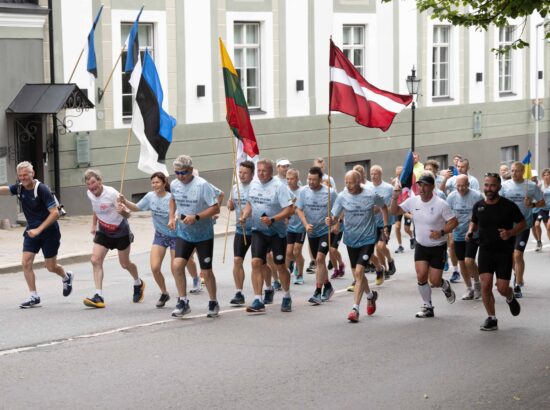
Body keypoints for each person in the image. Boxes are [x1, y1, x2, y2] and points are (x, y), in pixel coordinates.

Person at [0, 161, 73, 308]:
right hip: (31, 231)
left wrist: (39, 229)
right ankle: (34, 296)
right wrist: (35, 230)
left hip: (49, 232)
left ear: (32, 173)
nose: (23, 178)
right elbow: (6, 189)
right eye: (20, 176)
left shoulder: (42, 189)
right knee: (26, 262)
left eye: (25, 174)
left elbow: (55, 213)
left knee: (50, 266)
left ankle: (66, 277)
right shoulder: (20, 188)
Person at [391, 173, 458, 318]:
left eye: (425, 185)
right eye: (420, 185)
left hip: (437, 246)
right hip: (421, 245)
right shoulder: (412, 201)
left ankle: (443, 284)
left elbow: (453, 222)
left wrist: (441, 232)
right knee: (421, 276)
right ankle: (428, 306)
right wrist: (395, 196)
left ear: (432, 187)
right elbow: (394, 211)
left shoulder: (441, 204)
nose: (422, 188)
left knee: (434, 281)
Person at [327, 170, 388, 323]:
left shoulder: (371, 194)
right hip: (351, 239)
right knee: (357, 274)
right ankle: (370, 296)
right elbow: (334, 216)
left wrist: (385, 227)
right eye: (346, 183)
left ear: (359, 180)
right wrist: (331, 221)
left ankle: (355, 309)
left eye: (352, 182)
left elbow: (384, 207)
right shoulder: (342, 196)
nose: (348, 186)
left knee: (360, 271)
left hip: (367, 238)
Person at [468, 173, 524, 331]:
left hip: (504, 252)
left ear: (499, 187)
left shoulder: (508, 206)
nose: (489, 189)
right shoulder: (478, 205)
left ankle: (510, 295)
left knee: (501, 288)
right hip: (485, 250)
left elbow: (522, 223)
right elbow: (474, 221)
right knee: (485, 285)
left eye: (492, 185)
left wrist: (510, 233)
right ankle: (492, 318)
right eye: (486, 185)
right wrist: (471, 231)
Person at [168, 155, 221, 318]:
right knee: (177, 265)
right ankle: (183, 301)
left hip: (203, 234)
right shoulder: (175, 184)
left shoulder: (202, 185)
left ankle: (213, 301)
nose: (180, 176)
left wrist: (196, 216)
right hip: (184, 232)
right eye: (177, 173)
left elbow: (216, 208)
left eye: (183, 172)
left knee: (206, 271)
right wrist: (171, 217)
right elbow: (172, 200)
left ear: (191, 170)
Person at [239, 159, 294, 313]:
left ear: (271, 172)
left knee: (280, 266)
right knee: (256, 262)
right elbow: (250, 203)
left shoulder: (279, 187)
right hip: (258, 230)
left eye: (264, 171)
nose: (261, 173)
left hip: (277, 232)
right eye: (259, 170)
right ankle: (258, 299)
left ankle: (286, 295)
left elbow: (290, 210)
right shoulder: (254, 185)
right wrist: (244, 215)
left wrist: (273, 219)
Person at [83, 169, 144, 308]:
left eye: (93, 182)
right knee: (95, 260)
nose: (92, 187)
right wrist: (93, 225)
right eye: (88, 184)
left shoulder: (111, 194)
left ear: (100, 181)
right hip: (103, 231)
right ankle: (99, 296)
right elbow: (95, 208)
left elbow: (128, 214)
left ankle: (138, 282)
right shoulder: (90, 194)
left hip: (120, 232)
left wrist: (123, 211)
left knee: (125, 264)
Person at [119, 172, 175, 308]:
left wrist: (175, 218)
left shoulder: (172, 198)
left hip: (176, 236)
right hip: (160, 235)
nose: (155, 185)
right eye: (153, 182)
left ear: (164, 183)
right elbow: (137, 207)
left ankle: (182, 298)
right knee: (155, 268)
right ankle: (164, 293)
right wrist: (124, 201)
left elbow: (180, 212)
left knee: (176, 268)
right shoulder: (150, 196)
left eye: (157, 182)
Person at [500, 161, 545, 298]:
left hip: (523, 225)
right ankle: (517, 274)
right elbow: (498, 201)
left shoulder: (530, 186)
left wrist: (532, 204)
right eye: (512, 170)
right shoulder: (505, 185)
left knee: (518, 254)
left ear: (523, 172)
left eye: (517, 171)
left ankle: (518, 285)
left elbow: (542, 202)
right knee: (511, 256)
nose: (514, 173)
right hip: (508, 226)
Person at [295, 167, 338, 305]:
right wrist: (306, 224)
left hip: (326, 231)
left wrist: (333, 220)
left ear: (321, 180)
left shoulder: (330, 193)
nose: (311, 182)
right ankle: (328, 286)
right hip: (311, 231)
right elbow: (299, 210)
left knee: (320, 258)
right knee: (319, 262)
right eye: (309, 179)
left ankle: (318, 292)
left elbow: (339, 210)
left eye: (314, 180)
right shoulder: (303, 192)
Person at [446, 174, 484, 300]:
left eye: (463, 186)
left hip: (473, 233)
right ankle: (469, 288)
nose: (461, 188)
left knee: (469, 260)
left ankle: (478, 284)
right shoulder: (451, 197)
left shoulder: (477, 196)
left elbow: (483, 214)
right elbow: (447, 216)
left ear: (468, 185)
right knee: (461, 261)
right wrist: (449, 231)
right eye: (458, 186)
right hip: (458, 233)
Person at [227, 160, 255, 306]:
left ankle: (269, 287)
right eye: (240, 173)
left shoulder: (256, 187)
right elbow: (231, 206)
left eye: (245, 173)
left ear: (252, 174)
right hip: (241, 230)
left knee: (260, 263)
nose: (242, 175)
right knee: (237, 260)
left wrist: (245, 216)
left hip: (257, 230)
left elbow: (252, 206)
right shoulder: (235, 187)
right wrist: (229, 205)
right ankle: (239, 292)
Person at [370, 165, 397, 279]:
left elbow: (393, 204)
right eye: (371, 174)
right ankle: (385, 269)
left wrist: (384, 209)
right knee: (377, 248)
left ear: (380, 174)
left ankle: (390, 261)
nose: (373, 176)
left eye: (375, 173)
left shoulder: (388, 188)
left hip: (385, 222)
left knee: (381, 246)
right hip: (372, 223)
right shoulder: (368, 188)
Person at [285, 168, 306, 285]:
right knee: (289, 253)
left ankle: (300, 274)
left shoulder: (302, 191)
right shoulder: (286, 190)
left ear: (297, 179)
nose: (289, 181)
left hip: (301, 226)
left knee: (297, 251)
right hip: (290, 226)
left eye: (292, 178)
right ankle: (297, 263)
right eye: (287, 179)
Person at [533, 168, 550, 251]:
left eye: (548, 175)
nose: (546, 176)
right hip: (542, 209)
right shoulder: (540, 185)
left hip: (549, 209)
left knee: (548, 227)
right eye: (544, 175)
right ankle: (539, 241)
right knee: (536, 224)